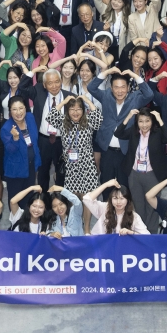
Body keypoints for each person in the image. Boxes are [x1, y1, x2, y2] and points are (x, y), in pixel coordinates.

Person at [88, 68, 154, 195]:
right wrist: (106, 73)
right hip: (107, 150)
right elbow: (91, 88)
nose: (120, 91)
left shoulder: (135, 98)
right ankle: (107, 211)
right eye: (116, 87)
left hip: (126, 150)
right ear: (111, 88)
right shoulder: (106, 95)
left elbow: (149, 95)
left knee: (124, 185)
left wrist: (135, 76)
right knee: (106, 182)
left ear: (128, 87)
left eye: (123, 87)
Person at [111, 108, 167, 234]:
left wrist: (160, 119)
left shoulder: (157, 132)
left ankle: (150, 233)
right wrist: (128, 116)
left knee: (152, 206)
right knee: (138, 205)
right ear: (137, 122)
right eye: (141, 121)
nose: (144, 125)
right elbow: (118, 133)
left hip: (152, 174)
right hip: (134, 174)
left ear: (152, 121)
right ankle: (139, 232)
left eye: (147, 121)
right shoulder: (134, 132)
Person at [46, 95, 102, 234]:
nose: (75, 112)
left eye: (78, 109)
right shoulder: (63, 123)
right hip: (71, 168)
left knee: (87, 200)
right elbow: (50, 116)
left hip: (87, 167)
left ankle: (87, 228)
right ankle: (74, 225)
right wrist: (63, 102)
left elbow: (98, 119)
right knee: (72, 199)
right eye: (72, 109)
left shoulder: (88, 122)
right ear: (67, 110)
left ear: (83, 110)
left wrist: (88, 101)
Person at [1, 96, 42, 209]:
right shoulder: (6, 128)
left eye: (21, 108)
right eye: (14, 109)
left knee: (29, 197)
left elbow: (34, 140)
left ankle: (27, 222)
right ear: (10, 111)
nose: (18, 112)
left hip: (31, 165)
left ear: (25, 108)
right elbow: (10, 150)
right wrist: (15, 138)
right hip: (16, 170)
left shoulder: (30, 117)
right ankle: (15, 224)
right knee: (15, 200)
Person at [83, 179, 149, 235]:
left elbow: (147, 236)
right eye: (115, 198)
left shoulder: (134, 217)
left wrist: (131, 232)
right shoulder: (105, 208)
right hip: (102, 246)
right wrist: (106, 185)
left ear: (128, 200)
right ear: (111, 199)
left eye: (122, 198)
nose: (118, 202)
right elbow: (87, 199)